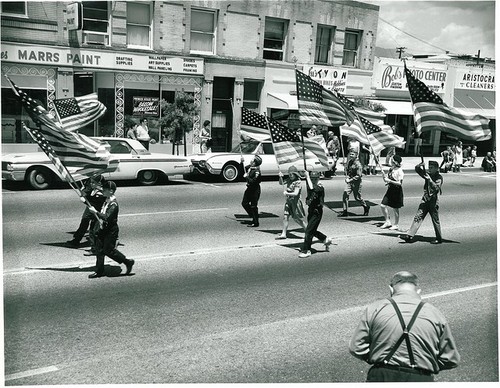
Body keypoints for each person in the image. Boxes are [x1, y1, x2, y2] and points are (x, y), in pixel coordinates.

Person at [349, 271, 460, 382]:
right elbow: (451, 358)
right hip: (419, 378)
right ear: (418, 291)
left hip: (382, 375)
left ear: (391, 289)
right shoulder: (435, 314)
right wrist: (427, 365)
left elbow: (356, 347)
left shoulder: (375, 308)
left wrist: (377, 357)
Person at [87, 181, 135, 278]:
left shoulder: (114, 204)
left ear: (111, 191)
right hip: (102, 228)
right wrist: (84, 198)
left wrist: (95, 212)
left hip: (110, 230)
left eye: (105, 190)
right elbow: (94, 199)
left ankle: (127, 262)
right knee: (99, 250)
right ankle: (99, 271)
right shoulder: (107, 199)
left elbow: (107, 217)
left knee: (109, 250)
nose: (102, 191)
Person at [400, 160, 443, 244]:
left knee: (435, 220)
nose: (429, 169)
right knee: (418, 216)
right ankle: (410, 235)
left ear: (436, 168)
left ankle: (439, 238)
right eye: (429, 167)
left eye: (431, 167)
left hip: (433, 201)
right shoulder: (428, 174)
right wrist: (419, 165)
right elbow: (418, 170)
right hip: (425, 199)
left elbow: (437, 188)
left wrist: (430, 180)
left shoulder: (439, 177)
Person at [66, 175, 106, 252]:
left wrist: (84, 200)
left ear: (99, 183)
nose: (91, 184)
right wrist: (84, 192)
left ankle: (94, 248)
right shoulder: (94, 185)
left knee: (93, 230)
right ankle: (77, 240)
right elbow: (87, 189)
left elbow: (95, 203)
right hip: (91, 209)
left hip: (96, 211)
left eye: (93, 182)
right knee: (84, 223)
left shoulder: (101, 192)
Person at [298, 170, 332, 258]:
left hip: (317, 211)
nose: (313, 180)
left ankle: (306, 250)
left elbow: (312, 188)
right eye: (312, 179)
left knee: (308, 231)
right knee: (311, 229)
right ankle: (324, 239)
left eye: (315, 179)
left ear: (318, 178)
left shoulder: (320, 187)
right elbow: (310, 193)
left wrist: (307, 177)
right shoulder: (312, 186)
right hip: (311, 210)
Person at [276, 166, 307, 239]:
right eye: (289, 174)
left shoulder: (298, 182)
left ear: (295, 174)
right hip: (288, 201)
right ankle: (284, 234)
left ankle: (308, 231)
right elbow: (281, 183)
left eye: (292, 174)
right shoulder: (289, 179)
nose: (290, 175)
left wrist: (287, 193)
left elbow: (296, 193)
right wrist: (280, 177)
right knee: (285, 217)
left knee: (297, 219)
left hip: (295, 202)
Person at [338, 150, 370, 217]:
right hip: (350, 182)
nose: (351, 155)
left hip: (356, 182)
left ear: (356, 156)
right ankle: (345, 211)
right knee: (345, 194)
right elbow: (348, 170)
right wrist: (345, 168)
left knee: (357, 198)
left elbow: (359, 175)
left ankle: (365, 206)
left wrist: (350, 180)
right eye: (350, 154)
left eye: (352, 154)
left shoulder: (358, 164)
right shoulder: (350, 162)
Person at [380, 155, 404, 231]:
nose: (390, 161)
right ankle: (387, 221)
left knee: (395, 208)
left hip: (396, 191)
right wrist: (384, 177)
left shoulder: (399, 171)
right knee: (383, 205)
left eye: (392, 160)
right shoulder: (391, 169)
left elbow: (399, 183)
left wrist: (389, 181)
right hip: (390, 189)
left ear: (395, 162)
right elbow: (387, 180)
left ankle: (396, 224)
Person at [241, 155, 262, 227]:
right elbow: (243, 168)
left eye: (252, 160)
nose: (251, 161)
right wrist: (241, 162)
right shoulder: (250, 168)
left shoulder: (257, 172)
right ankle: (253, 216)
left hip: (255, 190)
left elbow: (253, 182)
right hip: (249, 189)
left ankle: (256, 222)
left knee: (253, 206)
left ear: (255, 163)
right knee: (244, 203)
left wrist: (247, 177)